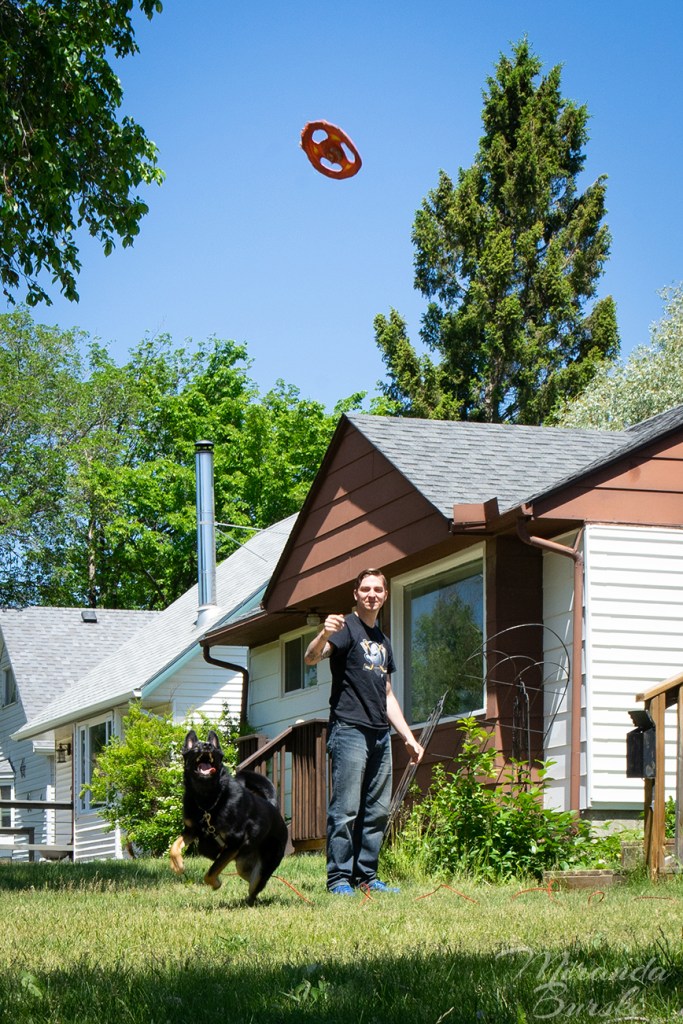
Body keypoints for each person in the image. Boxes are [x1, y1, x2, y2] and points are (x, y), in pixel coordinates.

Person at [305, 568, 424, 895]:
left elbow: (387, 695)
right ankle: (338, 878)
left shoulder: (383, 641)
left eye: (378, 590)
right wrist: (322, 634)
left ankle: (367, 877)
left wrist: (408, 737)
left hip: (379, 734)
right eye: (366, 589)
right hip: (349, 729)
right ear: (355, 594)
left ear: (385, 596)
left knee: (377, 810)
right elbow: (311, 658)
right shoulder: (345, 628)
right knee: (345, 809)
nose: (372, 594)